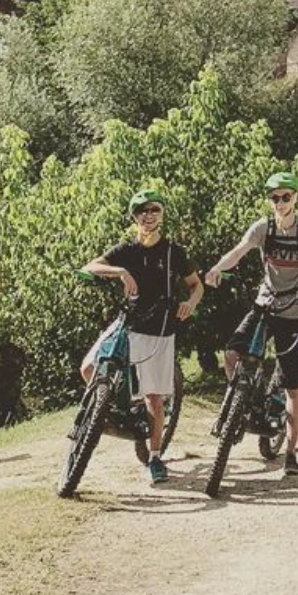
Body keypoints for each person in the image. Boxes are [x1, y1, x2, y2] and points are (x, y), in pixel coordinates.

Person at [204, 172, 298, 476]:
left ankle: (290, 452)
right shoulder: (263, 227)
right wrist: (215, 269)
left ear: (296, 198)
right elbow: (238, 252)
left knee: (292, 386)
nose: (280, 202)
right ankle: (246, 399)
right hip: (265, 304)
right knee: (232, 355)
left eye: (286, 197)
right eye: (275, 197)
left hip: (294, 310)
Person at [80, 187, 203, 486]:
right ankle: (109, 409)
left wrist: (190, 303)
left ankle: (155, 457)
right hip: (128, 322)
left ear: (162, 215)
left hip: (159, 328)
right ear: (134, 217)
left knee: (154, 399)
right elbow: (90, 266)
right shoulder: (127, 251)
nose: (148, 216)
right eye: (142, 211)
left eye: (154, 210)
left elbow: (196, 285)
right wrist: (121, 271)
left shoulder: (174, 252)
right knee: (88, 368)